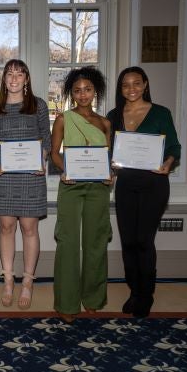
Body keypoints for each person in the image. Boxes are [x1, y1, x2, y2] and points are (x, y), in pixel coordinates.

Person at [107, 66, 181, 318]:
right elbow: (110, 152)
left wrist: (167, 164)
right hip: (126, 184)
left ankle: (146, 294)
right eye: (126, 85)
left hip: (154, 184)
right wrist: (111, 166)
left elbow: (174, 146)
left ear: (145, 84)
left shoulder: (161, 113)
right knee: (128, 241)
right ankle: (134, 291)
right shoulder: (114, 115)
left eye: (136, 83)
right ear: (121, 89)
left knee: (143, 241)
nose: (131, 89)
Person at [0, 59, 51, 309]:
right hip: (3, 175)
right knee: (6, 227)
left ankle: (28, 282)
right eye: (9, 74)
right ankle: (9, 280)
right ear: (3, 79)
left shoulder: (39, 106)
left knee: (29, 228)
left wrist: (41, 160)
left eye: (19, 74)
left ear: (26, 79)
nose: (14, 79)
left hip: (31, 176)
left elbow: (46, 138)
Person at [50, 66, 112, 323]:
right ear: (71, 93)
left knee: (96, 241)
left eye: (87, 89)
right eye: (77, 90)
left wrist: (110, 174)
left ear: (95, 90)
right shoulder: (64, 119)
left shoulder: (105, 122)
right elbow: (54, 154)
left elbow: (108, 159)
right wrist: (65, 170)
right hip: (71, 186)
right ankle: (66, 301)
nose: (83, 94)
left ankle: (93, 297)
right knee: (68, 242)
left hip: (98, 188)